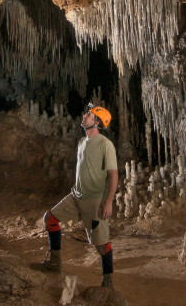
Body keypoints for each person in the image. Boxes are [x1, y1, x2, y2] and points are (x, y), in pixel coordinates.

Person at [37, 103, 119, 289]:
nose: (84, 116)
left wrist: (108, 202)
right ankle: (54, 263)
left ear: (96, 122)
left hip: (94, 201)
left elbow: (113, 174)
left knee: (101, 244)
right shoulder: (82, 142)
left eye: (88, 115)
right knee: (50, 218)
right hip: (76, 197)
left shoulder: (106, 145)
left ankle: (108, 282)